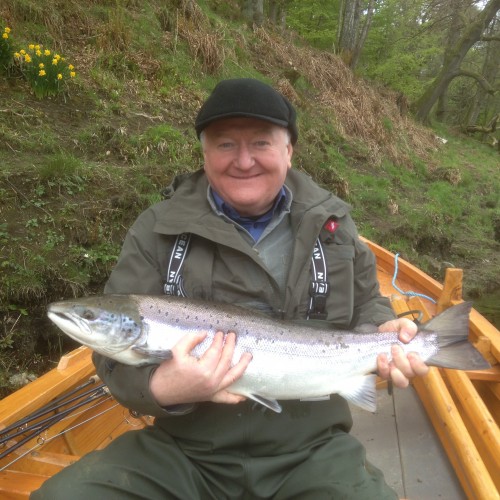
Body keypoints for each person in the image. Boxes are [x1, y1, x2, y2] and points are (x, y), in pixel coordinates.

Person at [32, 78, 429, 499]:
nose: (243, 161)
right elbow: (110, 364)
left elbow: (369, 304)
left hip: (311, 450)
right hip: (185, 451)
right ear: (204, 154)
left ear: (288, 151)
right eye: (225, 145)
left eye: (261, 143)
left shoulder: (333, 226)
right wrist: (163, 388)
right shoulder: (157, 228)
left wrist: (384, 329)